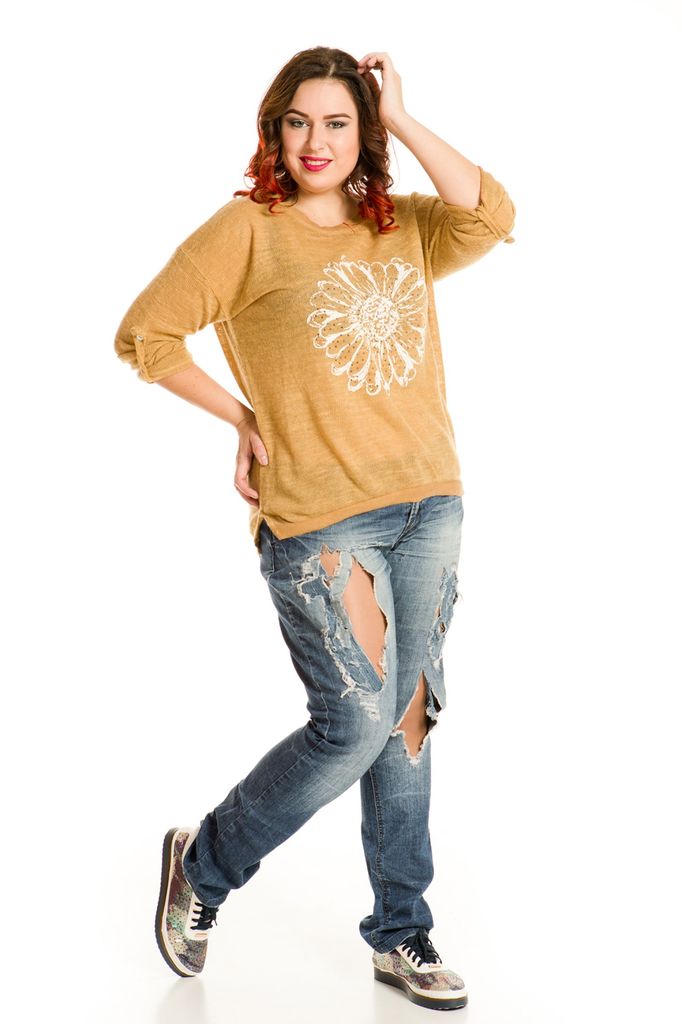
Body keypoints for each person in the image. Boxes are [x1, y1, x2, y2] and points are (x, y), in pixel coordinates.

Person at [114, 46, 515, 1011]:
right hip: (321, 517)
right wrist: (242, 417)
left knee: (408, 720)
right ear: (275, 130)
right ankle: (203, 866)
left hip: (429, 502)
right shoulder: (246, 231)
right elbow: (145, 335)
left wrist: (403, 116)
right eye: (298, 121)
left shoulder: (402, 226)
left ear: (363, 134)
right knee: (355, 723)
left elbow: (492, 215)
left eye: (339, 122)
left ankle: (402, 934)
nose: (316, 141)